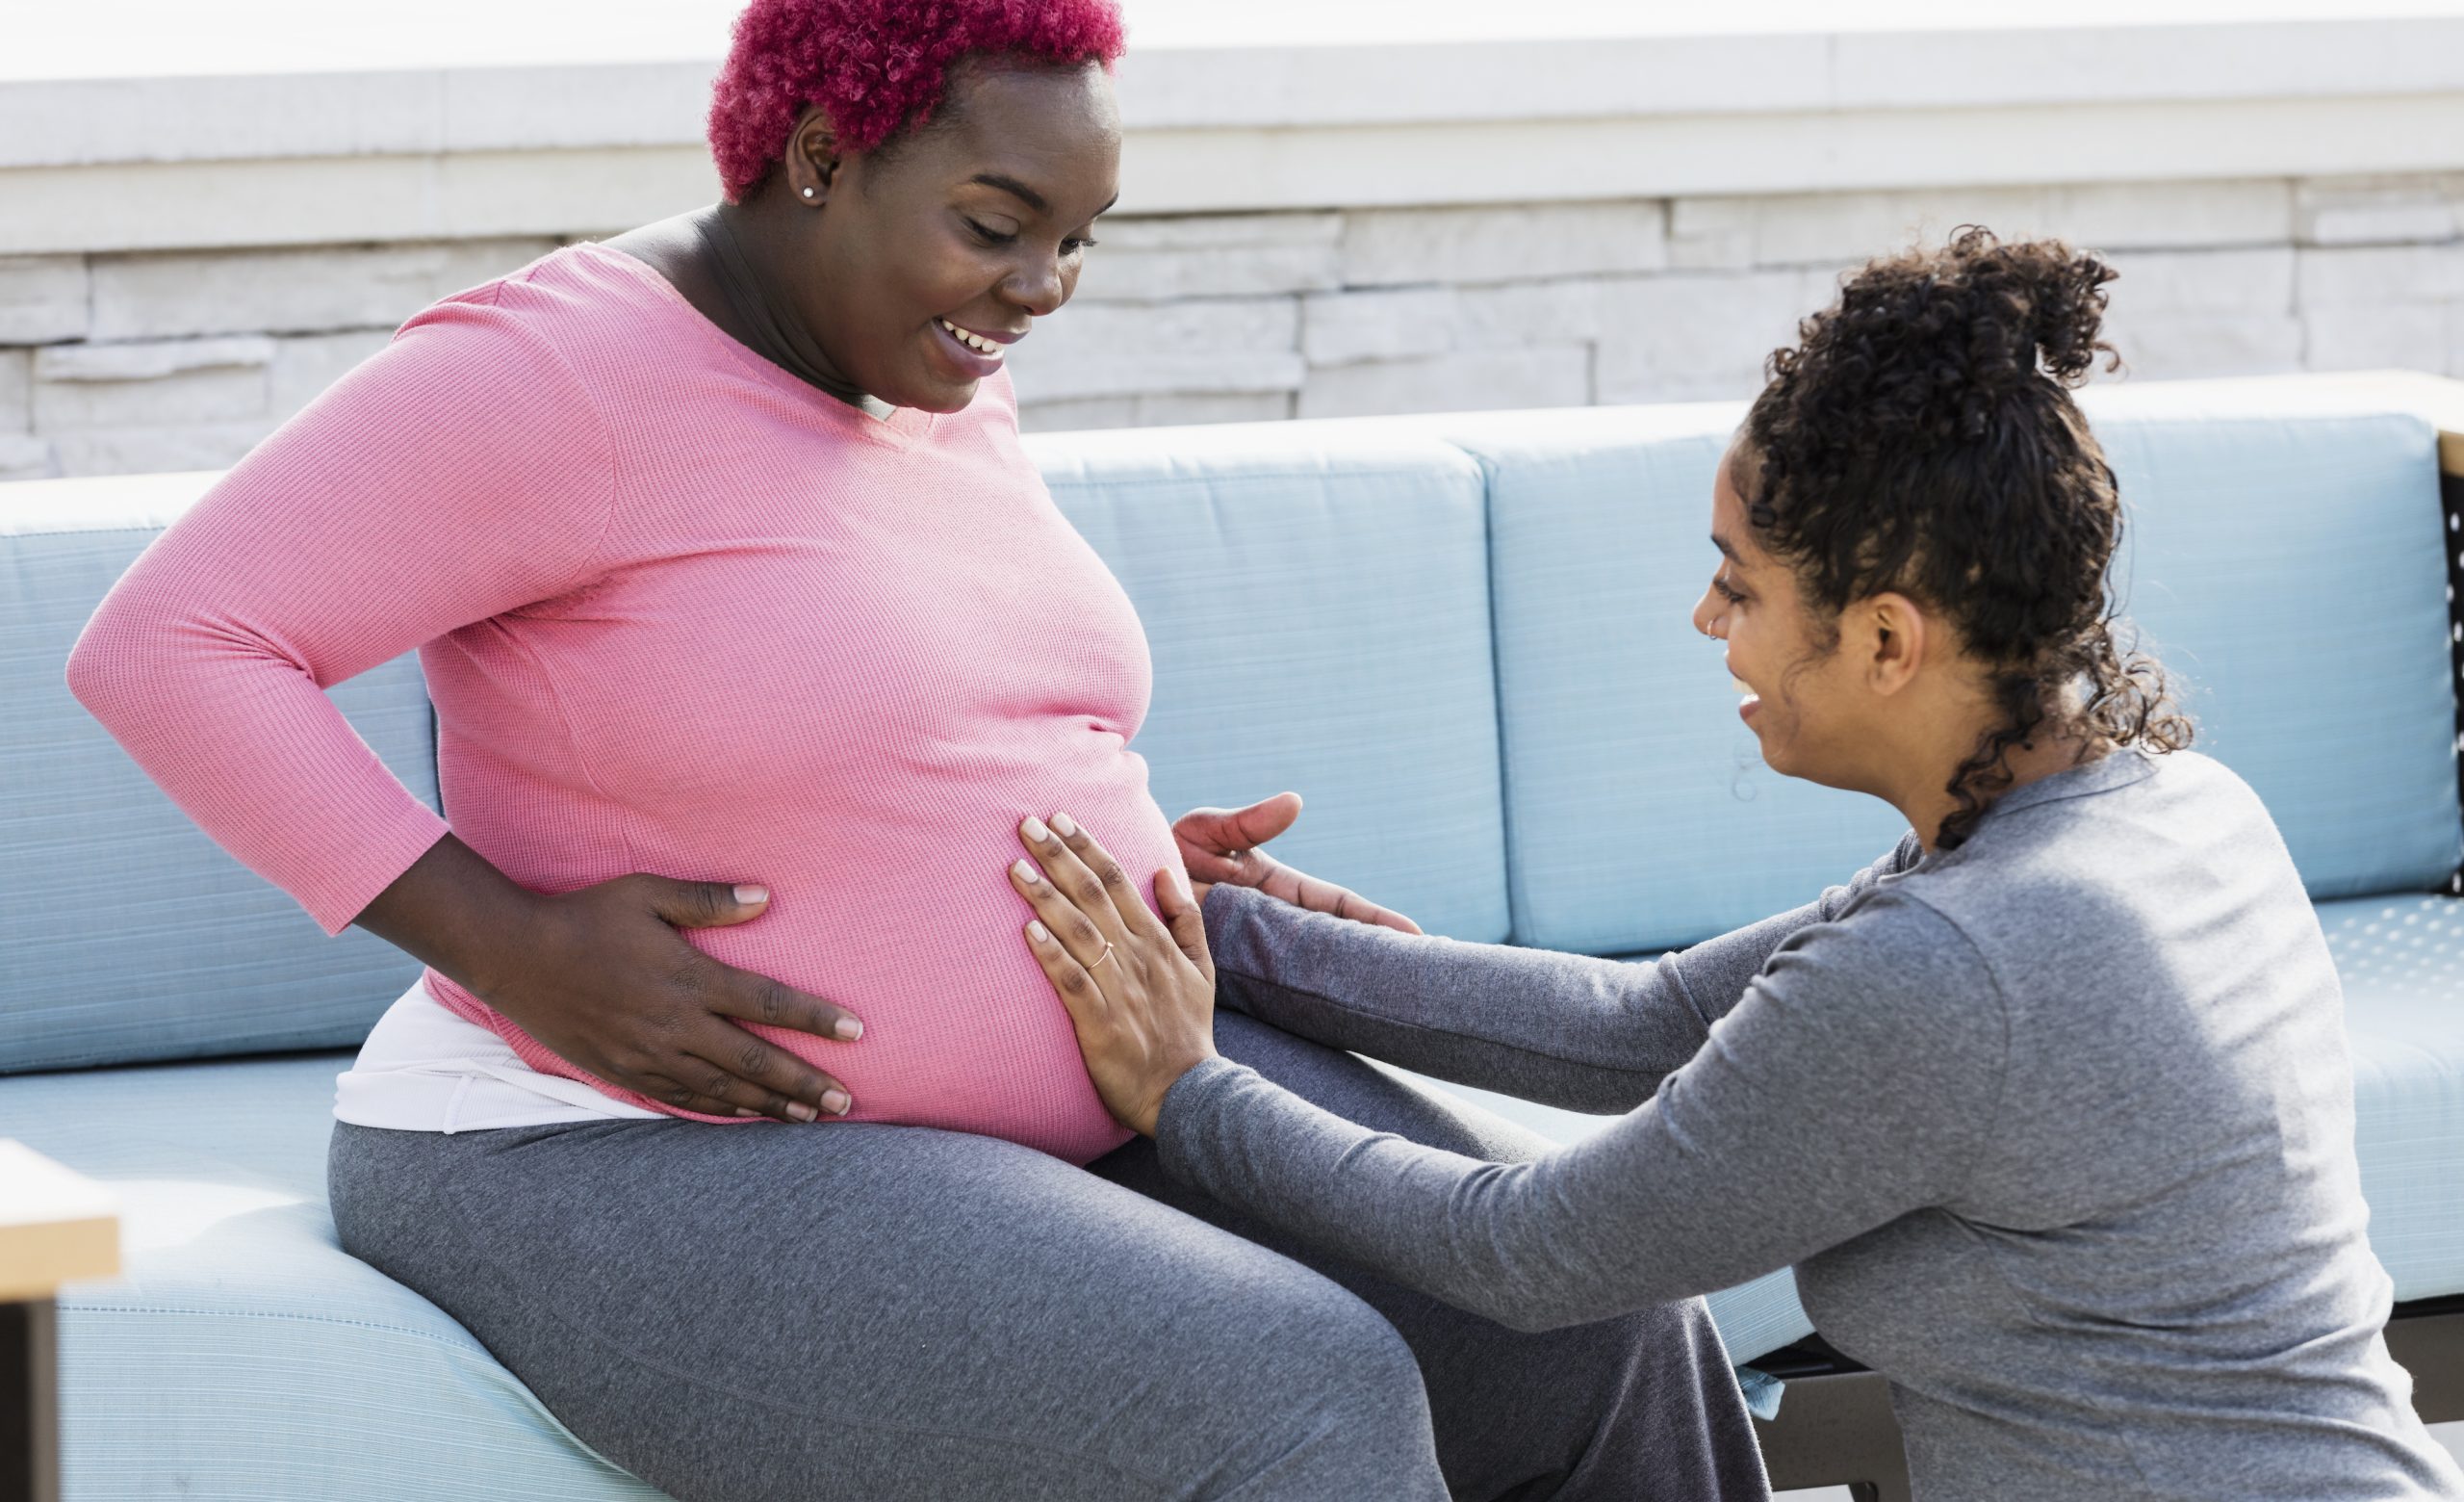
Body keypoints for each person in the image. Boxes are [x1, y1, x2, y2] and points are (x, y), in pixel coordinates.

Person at [64, 0, 1772, 1496]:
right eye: (998, 226)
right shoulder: (566, 372)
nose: (1041, 290)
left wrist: (1101, 842)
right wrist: (513, 947)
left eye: (1079, 239)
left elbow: (890, 709)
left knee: (1590, 1307)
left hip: (1062, 1100)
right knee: (1293, 1396)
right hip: (604, 1150)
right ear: (821, 153)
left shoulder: (918, 365)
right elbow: (172, 646)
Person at [1009, 228, 2464, 1500]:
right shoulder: (2163, 812)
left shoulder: (1954, 968)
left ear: (1888, 639)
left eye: (1742, 584)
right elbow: (1631, 1023)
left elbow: (1524, 1254)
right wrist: (1226, 930)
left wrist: (1189, 1092)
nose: (1710, 623)